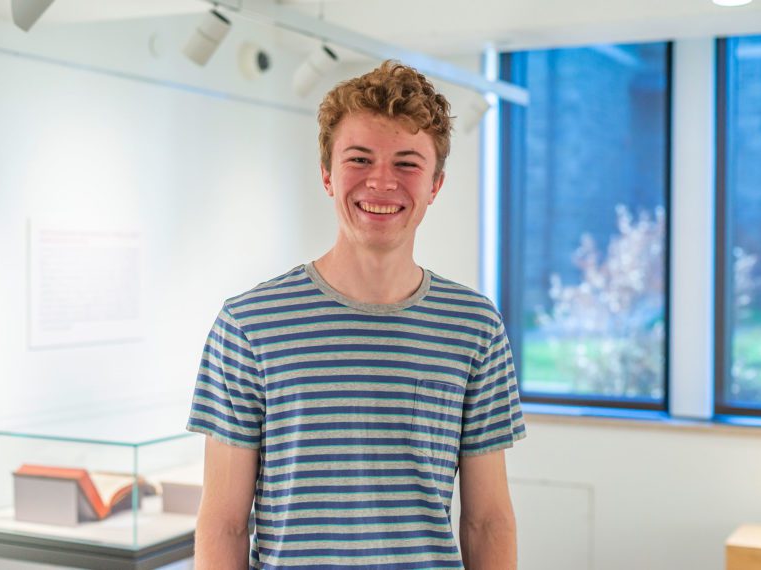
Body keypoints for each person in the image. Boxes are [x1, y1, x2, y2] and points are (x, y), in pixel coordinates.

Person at [186, 60, 526, 570]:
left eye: (407, 163)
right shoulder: (248, 325)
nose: (381, 182)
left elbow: (488, 520)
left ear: (435, 184)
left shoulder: (474, 327)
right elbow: (224, 524)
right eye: (359, 159)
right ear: (327, 174)